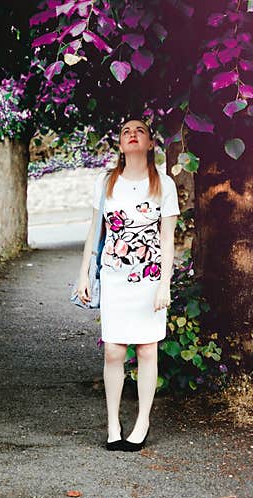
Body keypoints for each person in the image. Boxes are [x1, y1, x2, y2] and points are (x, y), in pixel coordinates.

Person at [74, 118, 180, 452]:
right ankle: (112, 423)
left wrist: (165, 285)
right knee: (114, 351)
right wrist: (82, 274)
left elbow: (167, 240)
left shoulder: (164, 184)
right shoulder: (106, 182)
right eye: (125, 132)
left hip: (149, 281)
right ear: (120, 144)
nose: (132, 135)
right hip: (115, 278)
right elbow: (94, 232)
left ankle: (143, 421)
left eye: (140, 131)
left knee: (148, 350)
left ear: (150, 143)